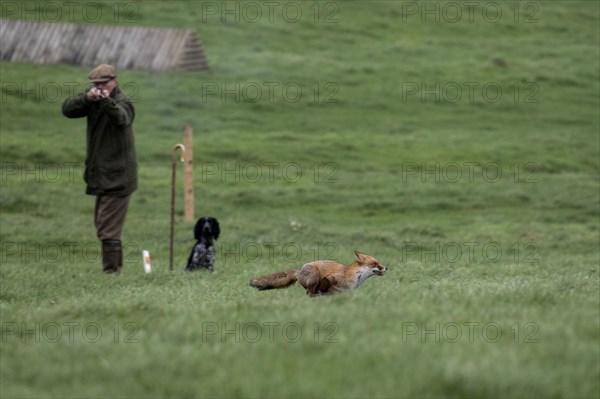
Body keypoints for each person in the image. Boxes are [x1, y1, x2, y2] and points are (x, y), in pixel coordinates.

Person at [62, 64, 137, 273]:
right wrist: (88, 98)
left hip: (119, 175)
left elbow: (121, 118)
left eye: (103, 83)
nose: (100, 87)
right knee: (103, 225)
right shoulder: (92, 100)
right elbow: (67, 109)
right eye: (96, 84)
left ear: (114, 81)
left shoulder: (124, 102)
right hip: (102, 175)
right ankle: (115, 269)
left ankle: (111, 272)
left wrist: (105, 101)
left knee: (107, 228)